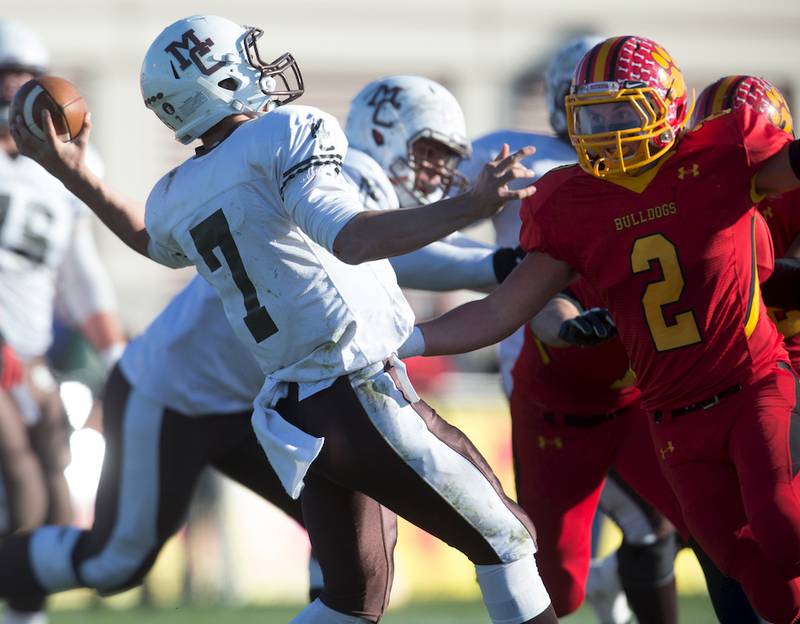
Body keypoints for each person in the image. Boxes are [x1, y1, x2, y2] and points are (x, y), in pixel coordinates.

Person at [9, 15, 557, 624]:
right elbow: (350, 237)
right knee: (508, 542)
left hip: (289, 404)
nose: (262, 66)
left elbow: (151, 237)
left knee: (352, 597)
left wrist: (74, 174)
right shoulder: (288, 132)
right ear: (216, 79)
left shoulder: (177, 189)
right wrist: (474, 207)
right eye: (244, 57)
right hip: (333, 392)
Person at [400, 34, 800, 624]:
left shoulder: (719, 154)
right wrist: (403, 339)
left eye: (622, 109)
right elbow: (501, 309)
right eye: (594, 113)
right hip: (670, 417)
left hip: (752, 385)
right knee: (753, 575)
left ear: (666, 104)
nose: (607, 128)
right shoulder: (568, 200)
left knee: (784, 528)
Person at [0, 20, 127, 624]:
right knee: (17, 468)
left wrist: (116, 353)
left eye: (25, 77)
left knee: (54, 471)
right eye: (4, 76)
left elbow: (81, 273)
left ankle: (27, 612)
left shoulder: (66, 159)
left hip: (28, 349)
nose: (15, 89)